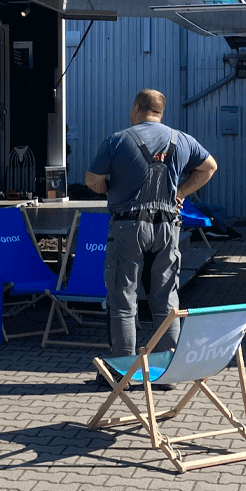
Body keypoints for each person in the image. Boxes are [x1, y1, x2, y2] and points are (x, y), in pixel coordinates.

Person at [84, 88, 217, 360]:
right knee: (166, 299)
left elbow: (92, 180)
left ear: (136, 107)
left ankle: (122, 369)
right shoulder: (182, 140)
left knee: (123, 300)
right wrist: (181, 192)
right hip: (168, 227)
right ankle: (167, 367)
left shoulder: (118, 140)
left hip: (128, 227)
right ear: (161, 112)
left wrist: (110, 188)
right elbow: (210, 167)